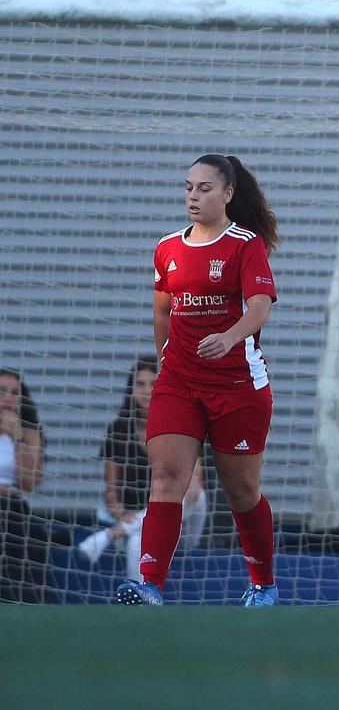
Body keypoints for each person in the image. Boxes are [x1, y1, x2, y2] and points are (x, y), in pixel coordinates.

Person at [114, 154, 280, 608]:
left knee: (242, 492)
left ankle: (263, 584)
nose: (193, 196)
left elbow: (260, 308)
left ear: (227, 194)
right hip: (180, 383)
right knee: (167, 478)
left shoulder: (247, 245)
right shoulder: (167, 247)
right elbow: (162, 310)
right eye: (189, 187)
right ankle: (149, 584)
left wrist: (228, 338)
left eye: (204, 188)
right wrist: (168, 360)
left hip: (238, 386)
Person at [77, 356, 210, 580]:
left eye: (154, 383)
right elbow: (111, 494)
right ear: (131, 388)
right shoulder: (119, 431)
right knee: (140, 539)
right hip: (132, 522)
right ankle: (141, 604)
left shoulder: (182, 423)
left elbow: (196, 482)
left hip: (181, 525)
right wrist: (121, 514)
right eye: (140, 384)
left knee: (197, 493)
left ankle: (111, 534)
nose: (147, 390)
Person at [0, 368, 46, 604]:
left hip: (12, 508)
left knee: (28, 536)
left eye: (14, 393)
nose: (8, 398)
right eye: (2, 391)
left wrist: (16, 437)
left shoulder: (29, 434)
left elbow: (28, 483)